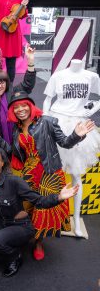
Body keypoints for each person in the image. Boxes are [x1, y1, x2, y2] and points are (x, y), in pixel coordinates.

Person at [0, 145, 79, 277]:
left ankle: (15, 257)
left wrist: (59, 197)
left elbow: (38, 201)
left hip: (20, 224)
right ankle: (2, 248)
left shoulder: (14, 181)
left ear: (2, 163)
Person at [0, 91, 95, 261]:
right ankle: (28, 236)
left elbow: (65, 143)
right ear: (12, 110)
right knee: (28, 207)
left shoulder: (48, 122)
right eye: (16, 107)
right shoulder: (17, 128)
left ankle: (38, 242)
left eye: (24, 105)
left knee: (43, 209)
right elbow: (16, 153)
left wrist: (77, 135)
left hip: (48, 173)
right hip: (29, 173)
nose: (20, 109)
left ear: (31, 106)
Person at [43, 59, 100, 237]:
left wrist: (91, 110)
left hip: (78, 123)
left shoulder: (92, 76)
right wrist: (45, 120)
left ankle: (76, 220)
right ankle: (53, 216)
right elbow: (47, 99)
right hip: (58, 120)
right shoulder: (58, 76)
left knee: (76, 175)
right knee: (53, 171)